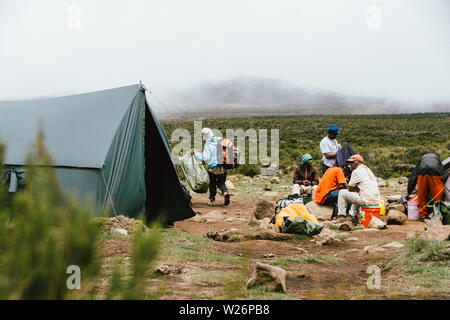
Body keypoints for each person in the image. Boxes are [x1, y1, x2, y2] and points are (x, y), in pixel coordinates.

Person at [337, 154, 381, 224]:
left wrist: (356, 189)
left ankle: (341, 216)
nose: (350, 165)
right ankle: (355, 217)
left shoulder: (356, 171)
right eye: (350, 163)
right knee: (358, 194)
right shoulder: (368, 170)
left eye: (352, 162)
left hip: (367, 200)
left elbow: (350, 188)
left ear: (358, 162)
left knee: (342, 192)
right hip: (376, 200)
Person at [194, 128, 230, 207]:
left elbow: (205, 157)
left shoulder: (208, 144)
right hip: (223, 167)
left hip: (213, 168)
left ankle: (212, 200)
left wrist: (196, 153)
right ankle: (225, 192)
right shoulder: (220, 140)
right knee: (221, 182)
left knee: (212, 184)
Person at [407, 153, 444, 220]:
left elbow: (413, 178)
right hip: (435, 172)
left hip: (422, 172)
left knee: (422, 196)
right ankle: (438, 215)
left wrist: (409, 192)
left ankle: (423, 216)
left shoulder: (421, 161)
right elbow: (442, 173)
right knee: (437, 197)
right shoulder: (438, 160)